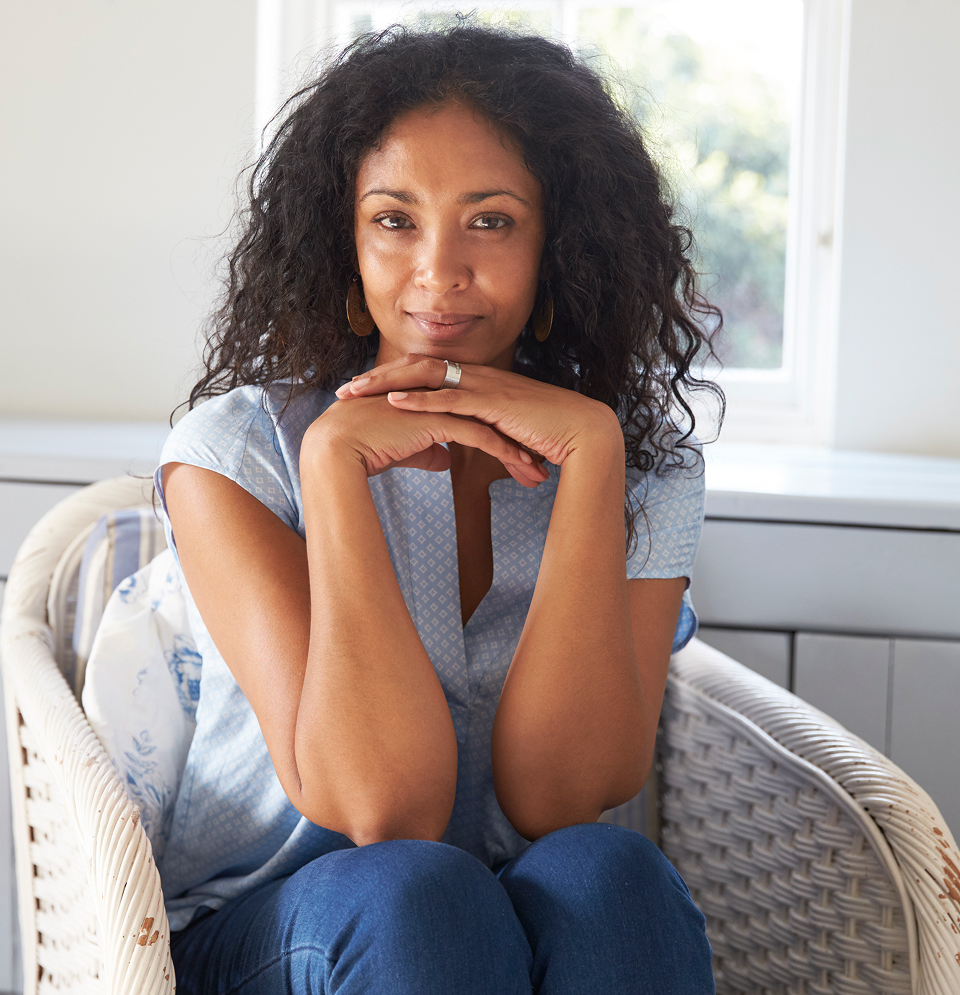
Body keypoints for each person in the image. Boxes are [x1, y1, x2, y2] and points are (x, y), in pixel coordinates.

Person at [155, 22, 722, 995]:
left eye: (491, 221)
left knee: (612, 869)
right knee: (421, 891)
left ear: (561, 241)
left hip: (516, 912)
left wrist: (590, 459)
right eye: (394, 219)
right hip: (282, 925)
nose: (438, 270)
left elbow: (561, 797)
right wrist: (334, 466)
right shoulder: (238, 452)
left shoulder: (642, 466)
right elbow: (385, 807)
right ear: (345, 240)